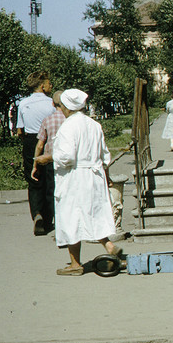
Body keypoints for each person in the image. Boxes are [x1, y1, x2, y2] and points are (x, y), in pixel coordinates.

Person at [50, 89, 122, 276]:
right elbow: (104, 155)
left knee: (71, 216)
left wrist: (49, 158)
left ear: (66, 107)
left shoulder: (68, 126)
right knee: (93, 213)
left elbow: (66, 156)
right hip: (93, 175)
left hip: (75, 176)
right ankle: (109, 245)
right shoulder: (94, 124)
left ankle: (75, 263)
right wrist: (106, 175)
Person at [16, 72, 55, 236]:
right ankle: (48, 218)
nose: (50, 86)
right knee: (50, 180)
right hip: (48, 142)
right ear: (42, 85)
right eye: (48, 83)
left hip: (30, 142)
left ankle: (37, 213)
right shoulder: (52, 104)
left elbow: (19, 130)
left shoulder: (23, 104)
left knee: (34, 180)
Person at [29, 92, 66, 232]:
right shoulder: (69, 120)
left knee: (51, 191)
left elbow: (40, 144)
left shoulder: (47, 120)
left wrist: (35, 164)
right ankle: (64, 221)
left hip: (50, 161)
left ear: (53, 104)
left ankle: (49, 221)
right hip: (66, 160)